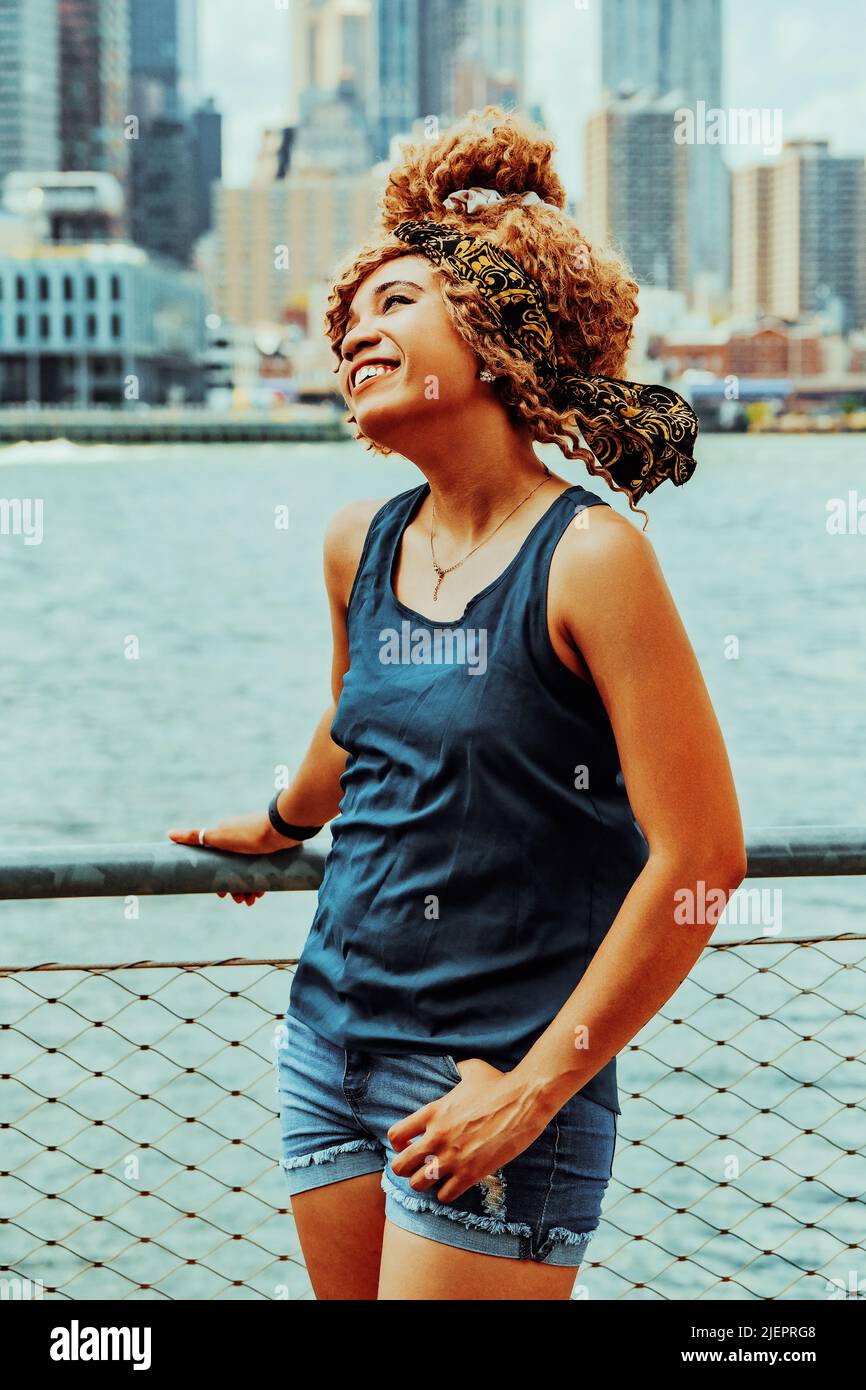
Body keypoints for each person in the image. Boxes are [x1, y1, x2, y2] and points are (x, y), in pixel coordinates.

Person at [168, 107, 747, 1301]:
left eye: (396, 302)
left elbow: (700, 859)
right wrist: (277, 822)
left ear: (492, 334)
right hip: (325, 1047)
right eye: (348, 316)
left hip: (490, 1078)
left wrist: (534, 1089)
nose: (354, 333)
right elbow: (358, 719)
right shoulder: (357, 544)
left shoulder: (590, 559)